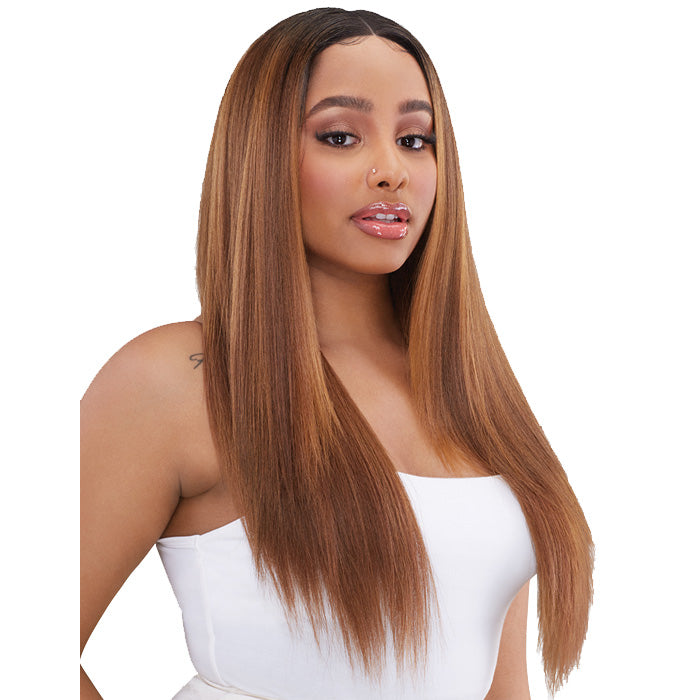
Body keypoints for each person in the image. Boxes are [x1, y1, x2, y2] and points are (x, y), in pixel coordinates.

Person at [80, 8, 593, 699]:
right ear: (261, 156)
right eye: (341, 136)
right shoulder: (177, 381)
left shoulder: (469, 387)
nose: (391, 170)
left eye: (415, 139)